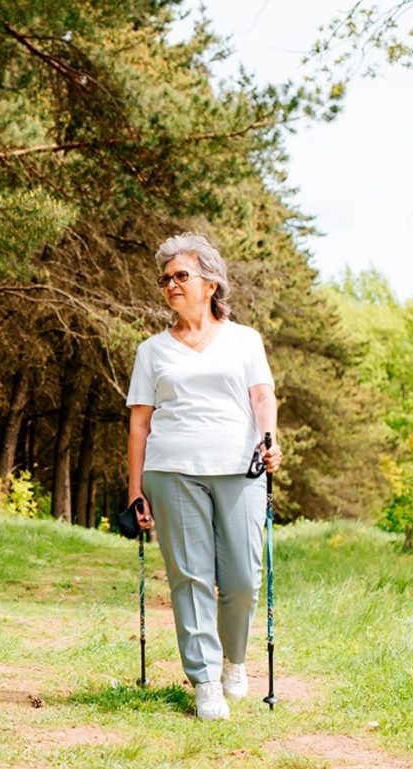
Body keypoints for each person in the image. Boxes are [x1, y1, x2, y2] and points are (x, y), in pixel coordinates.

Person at [126, 232, 282, 721]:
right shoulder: (152, 350)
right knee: (189, 578)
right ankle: (205, 681)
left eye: (181, 275)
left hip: (239, 467)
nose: (171, 284)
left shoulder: (245, 340)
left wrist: (271, 437)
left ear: (211, 283)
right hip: (171, 470)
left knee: (242, 579)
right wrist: (134, 488)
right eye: (165, 278)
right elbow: (140, 421)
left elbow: (262, 397)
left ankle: (234, 660)